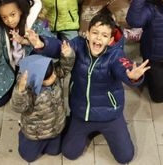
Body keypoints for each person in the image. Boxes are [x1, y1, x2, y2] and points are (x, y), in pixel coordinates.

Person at [43, 10, 147, 164]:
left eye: (104, 35)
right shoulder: (78, 44)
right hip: (81, 112)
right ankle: (86, 129)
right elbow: (60, 47)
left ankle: (110, 129)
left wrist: (133, 76)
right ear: (87, 33)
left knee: (125, 157)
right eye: (95, 33)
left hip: (110, 115)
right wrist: (41, 43)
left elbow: (124, 66)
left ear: (111, 40)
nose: (98, 38)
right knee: (69, 153)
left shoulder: (115, 55)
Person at [11, 51, 73, 162]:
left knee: (54, 152)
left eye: (53, 73)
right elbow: (18, 107)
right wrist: (20, 92)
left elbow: (64, 69)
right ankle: (22, 134)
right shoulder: (28, 91)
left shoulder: (51, 72)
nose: (54, 77)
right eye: (48, 79)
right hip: (36, 133)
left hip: (56, 128)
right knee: (27, 156)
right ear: (36, 79)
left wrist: (67, 56)